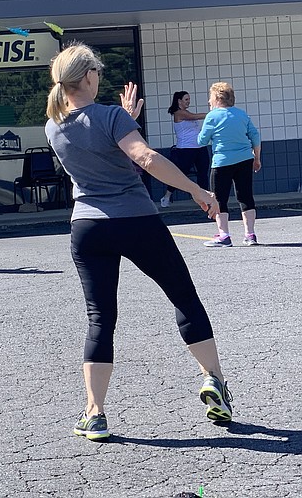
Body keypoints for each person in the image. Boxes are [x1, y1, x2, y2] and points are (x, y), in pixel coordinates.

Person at [44, 43, 232, 442]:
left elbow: (94, 146)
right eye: (97, 70)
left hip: (88, 228)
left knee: (100, 319)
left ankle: (94, 413)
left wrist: (124, 119)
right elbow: (143, 157)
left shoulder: (53, 124)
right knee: (183, 297)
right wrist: (197, 190)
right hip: (137, 220)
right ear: (89, 76)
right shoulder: (110, 115)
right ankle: (213, 380)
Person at [198, 82, 261, 247]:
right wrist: (257, 158)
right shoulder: (242, 114)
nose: (209, 101)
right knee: (246, 196)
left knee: (219, 199)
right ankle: (250, 235)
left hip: (222, 162)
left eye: (210, 97)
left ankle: (224, 236)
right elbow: (255, 136)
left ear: (217, 98)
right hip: (245, 159)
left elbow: (201, 140)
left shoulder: (212, 116)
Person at [159, 91, 210, 208]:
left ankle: (204, 198)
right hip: (185, 149)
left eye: (189, 99)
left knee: (203, 173)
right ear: (179, 101)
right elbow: (195, 117)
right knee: (181, 173)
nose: (188, 101)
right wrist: (212, 114)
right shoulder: (179, 113)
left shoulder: (186, 112)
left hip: (199, 147)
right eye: (186, 99)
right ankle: (167, 196)